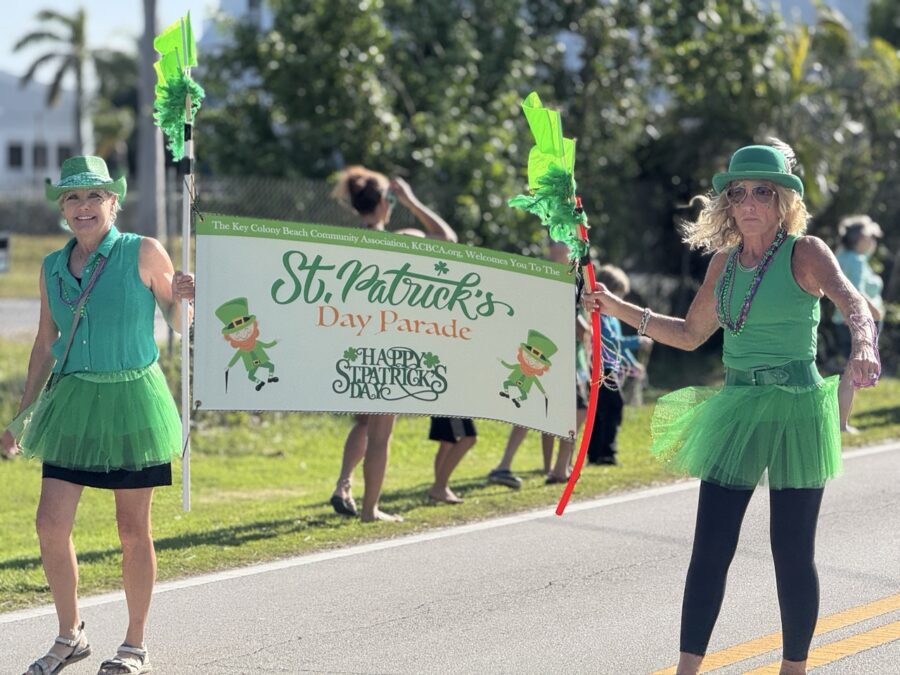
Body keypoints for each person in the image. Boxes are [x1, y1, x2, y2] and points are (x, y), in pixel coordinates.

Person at [582, 143, 880, 675]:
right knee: (710, 549)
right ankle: (686, 670)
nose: (748, 202)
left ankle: (794, 669)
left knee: (790, 552)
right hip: (737, 406)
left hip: (796, 409)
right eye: (738, 192)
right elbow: (691, 334)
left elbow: (852, 301)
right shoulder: (723, 262)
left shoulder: (804, 252)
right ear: (726, 203)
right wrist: (616, 306)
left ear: (783, 199)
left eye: (762, 191)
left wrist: (864, 344)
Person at [1, 156, 195, 675]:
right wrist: (21, 418)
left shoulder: (143, 251)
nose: (82, 207)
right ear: (63, 209)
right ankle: (71, 635)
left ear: (114, 202)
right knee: (48, 524)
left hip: (135, 402)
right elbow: (46, 343)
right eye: (72, 198)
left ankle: (134, 645)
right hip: (72, 405)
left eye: (93, 197)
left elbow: (179, 323)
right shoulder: (49, 266)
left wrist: (184, 299)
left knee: (132, 529)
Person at [329, 166, 458, 522]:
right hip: (390, 343)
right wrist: (411, 200)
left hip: (356, 343)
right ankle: (370, 509)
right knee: (381, 433)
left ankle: (344, 483)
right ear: (386, 203)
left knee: (366, 423)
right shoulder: (402, 239)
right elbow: (447, 239)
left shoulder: (350, 244)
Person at [487, 241, 589, 487]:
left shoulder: (573, 279)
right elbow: (570, 322)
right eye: (556, 243)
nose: (558, 248)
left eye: (562, 243)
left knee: (539, 410)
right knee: (574, 410)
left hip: (558, 355)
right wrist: (583, 330)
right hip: (552, 355)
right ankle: (556, 468)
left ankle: (550, 466)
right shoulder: (552, 279)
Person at [587, 265, 652, 466]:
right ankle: (606, 453)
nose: (619, 299)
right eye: (617, 294)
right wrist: (638, 341)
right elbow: (611, 342)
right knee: (612, 408)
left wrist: (632, 364)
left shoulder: (612, 317)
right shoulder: (599, 316)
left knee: (603, 411)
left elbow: (618, 343)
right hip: (600, 369)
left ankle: (597, 454)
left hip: (611, 368)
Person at [831, 214, 884, 433]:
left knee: (849, 374)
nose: (874, 242)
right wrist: (876, 312)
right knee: (851, 375)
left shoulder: (842, 256)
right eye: (871, 237)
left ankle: (841, 421)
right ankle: (841, 424)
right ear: (861, 238)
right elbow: (856, 291)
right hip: (857, 322)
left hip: (841, 321)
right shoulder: (856, 261)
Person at [427, 417, 477, 503]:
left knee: (447, 441)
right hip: (451, 405)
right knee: (468, 438)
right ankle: (439, 487)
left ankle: (440, 489)